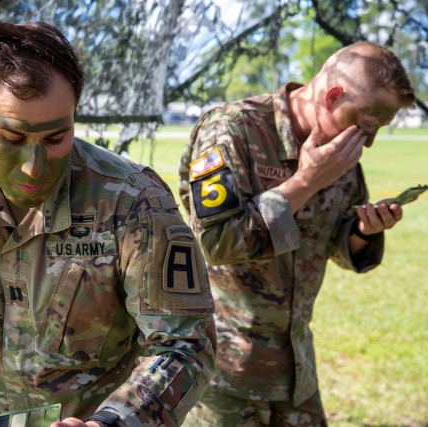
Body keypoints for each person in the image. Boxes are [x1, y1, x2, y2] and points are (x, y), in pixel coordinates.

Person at [0, 20, 216, 427]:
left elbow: (186, 344)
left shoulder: (132, 200)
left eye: (56, 138)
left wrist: (115, 420)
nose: (34, 168)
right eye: (13, 139)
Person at [178, 41, 416, 426]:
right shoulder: (232, 129)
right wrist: (305, 182)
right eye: (367, 125)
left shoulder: (341, 151)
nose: (367, 142)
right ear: (333, 96)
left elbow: (337, 240)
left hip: (296, 373)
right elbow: (215, 243)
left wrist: (363, 230)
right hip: (225, 377)